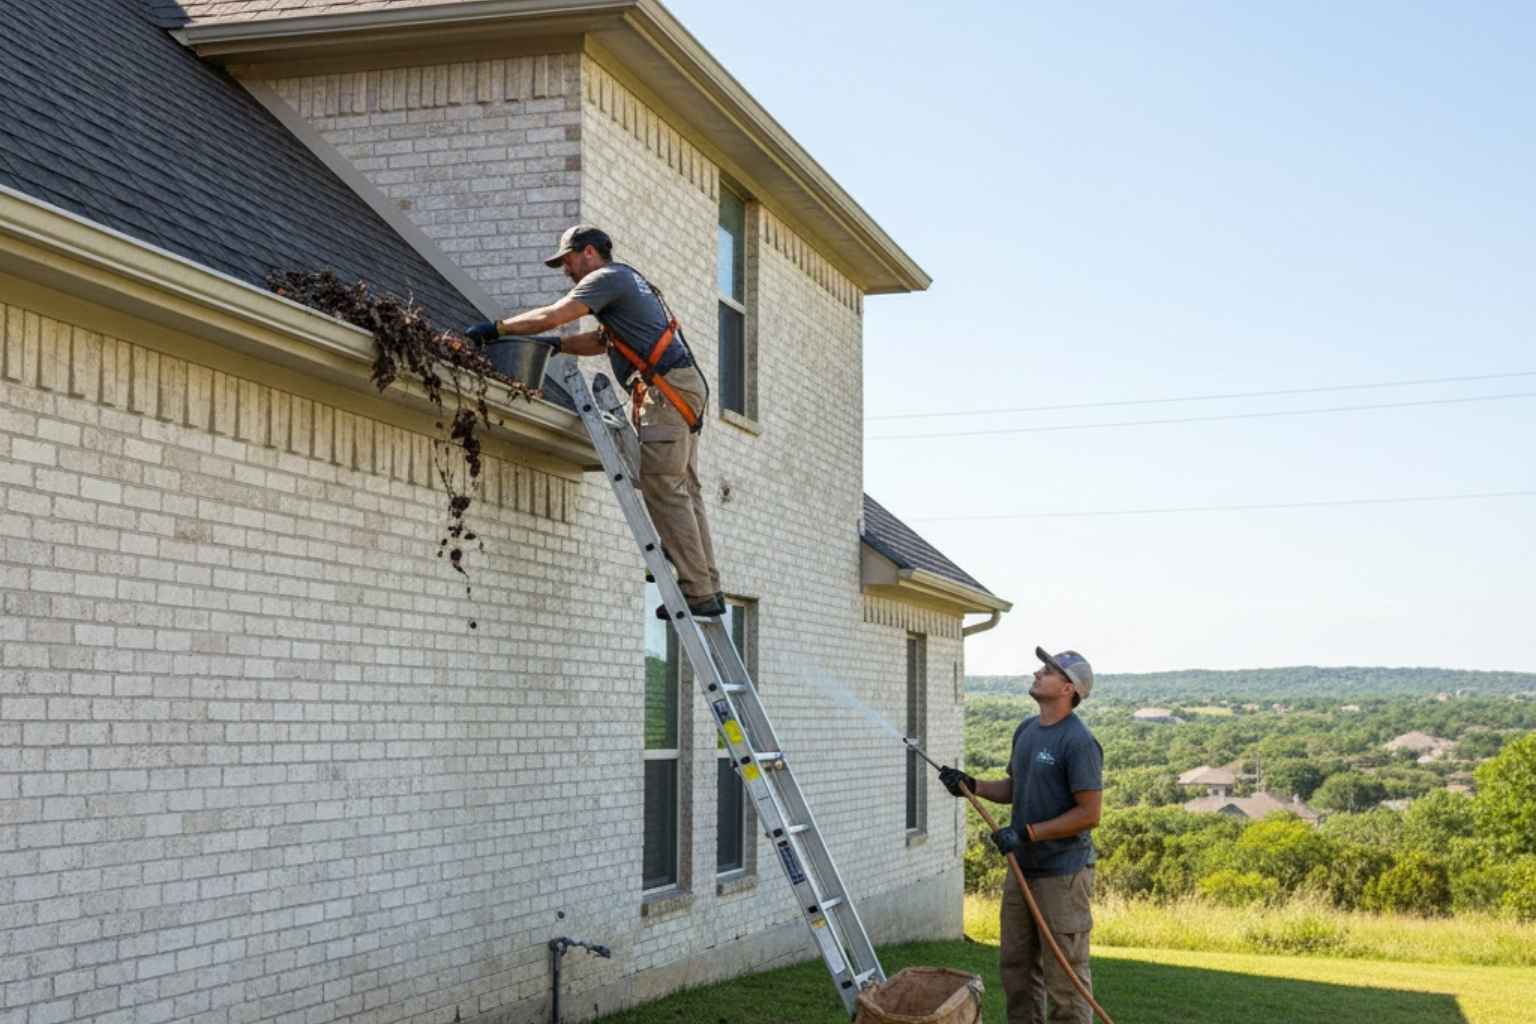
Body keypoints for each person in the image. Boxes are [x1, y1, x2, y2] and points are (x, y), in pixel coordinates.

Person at [464, 225, 724, 619]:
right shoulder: (629, 282)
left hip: (665, 393)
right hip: (681, 387)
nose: (565, 269)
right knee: (683, 489)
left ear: (588, 253)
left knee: (664, 488)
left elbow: (553, 315)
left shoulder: (605, 279)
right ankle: (707, 585)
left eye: (566, 260)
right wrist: (558, 346)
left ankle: (697, 590)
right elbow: (602, 342)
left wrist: (497, 329)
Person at [939, 647, 1103, 1024]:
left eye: (1047, 670)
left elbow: (1089, 814)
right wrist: (972, 784)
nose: (1037, 673)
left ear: (1067, 688)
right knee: (1016, 969)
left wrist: (1027, 833)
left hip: (1062, 874)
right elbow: (1016, 788)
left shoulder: (1078, 742)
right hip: (1022, 868)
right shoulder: (1027, 730)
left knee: (1065, 977)